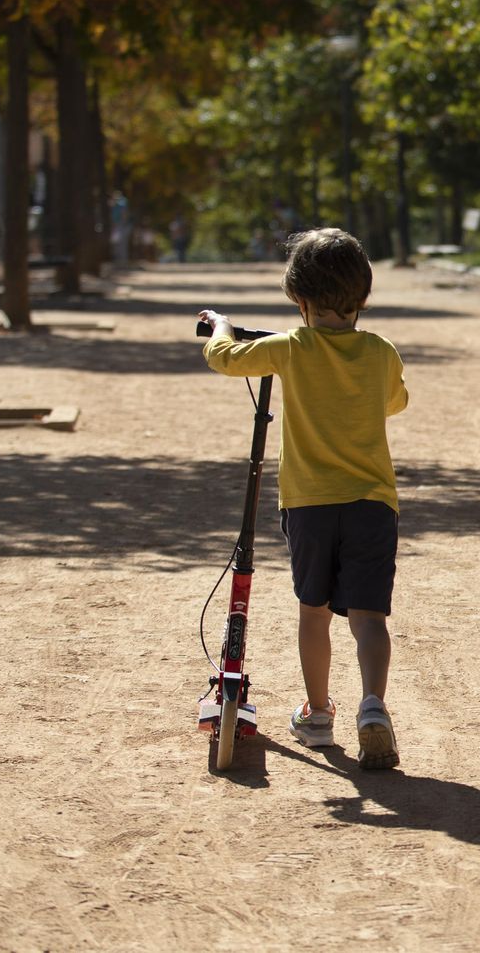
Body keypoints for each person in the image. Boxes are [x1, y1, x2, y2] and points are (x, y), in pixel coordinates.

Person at [198, 227, 410, 769]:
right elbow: (395, 402)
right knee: (369, 617)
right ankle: (373, 706)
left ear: (299, 299)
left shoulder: (290, 348)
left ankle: (318, 714)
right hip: (371, 503)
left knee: (313, 611)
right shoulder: (381, 352)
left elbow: (226, 359)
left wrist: (220, 327)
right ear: (362, 298)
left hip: (310, 504)